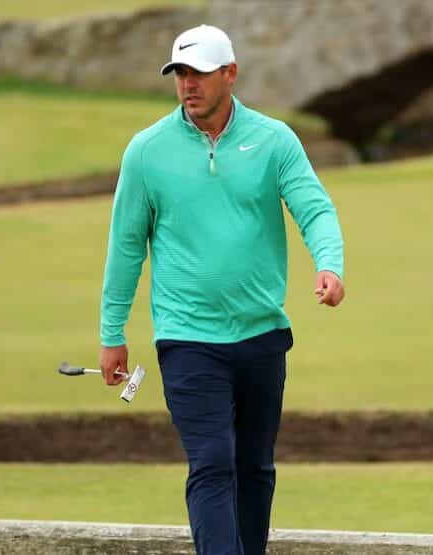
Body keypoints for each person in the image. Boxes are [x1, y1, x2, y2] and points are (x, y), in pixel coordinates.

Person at [99, 24, 344, 555]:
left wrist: (330, 265)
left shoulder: (274, 140)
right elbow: (125, 249)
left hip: (261, 335)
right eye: (180, 74)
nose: (188, 85)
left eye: (200, 74)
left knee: (254, 468)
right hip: (188, 339)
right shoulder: (147, 152)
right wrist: (112, 332)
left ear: (230, 74)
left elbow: (315, 209)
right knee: (211, 463)